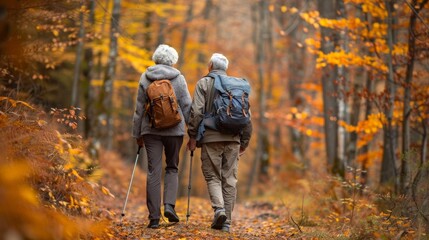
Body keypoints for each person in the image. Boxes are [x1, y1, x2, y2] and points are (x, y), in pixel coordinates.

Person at [187, 53, 252, 233]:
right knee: (229, 180)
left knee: (213, 176)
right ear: (225, 68)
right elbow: (247, 117)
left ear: (210, 66)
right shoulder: (237, 86)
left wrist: (192, 136)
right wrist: (244, 142)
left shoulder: (203, 83)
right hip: (233, 139)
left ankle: (219, 210)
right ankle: (227, 223)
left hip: (210, 138)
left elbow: (197, 112)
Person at [132, 44, 192, 229]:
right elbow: (187, 105)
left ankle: (154, 217)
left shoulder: (145, 77)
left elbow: (139, 109)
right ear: (173, 60)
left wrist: (137, 134)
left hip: (150, 130)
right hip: (175, 131)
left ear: (156, 58)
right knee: (172, 167)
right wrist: (193, 132)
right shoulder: (179, 78)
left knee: (153, 171)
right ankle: (169, 206)